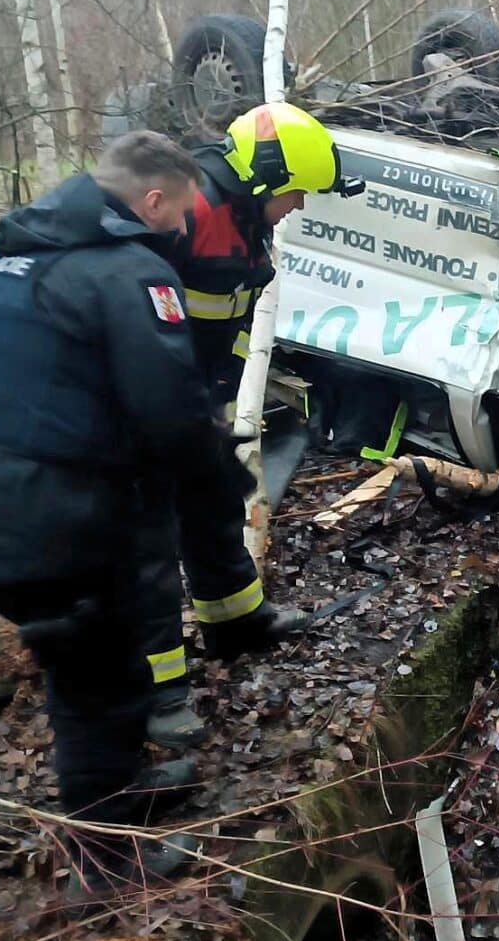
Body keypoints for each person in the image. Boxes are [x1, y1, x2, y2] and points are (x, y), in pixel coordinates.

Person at [0, 132, 247, 898]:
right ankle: (104, 867)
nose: (184, 231)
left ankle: (121, 796)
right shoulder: (129, 274)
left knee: (106, 650)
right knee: (97, 676)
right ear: (152, 200)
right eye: (181, 214)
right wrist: (224, 477)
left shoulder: (10, 256)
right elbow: (169, 409)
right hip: (36, 510)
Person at [139, 101, 364, 747]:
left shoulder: (238, 213)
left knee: (209, 505)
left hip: (185, 393)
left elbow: (221, 314)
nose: (298, 205)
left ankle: (236, 622)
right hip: (141, 401)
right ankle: (157, 697)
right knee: (145, 542)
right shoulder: (190, 211)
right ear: (266, 179)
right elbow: (129, 307)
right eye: (294, 192)